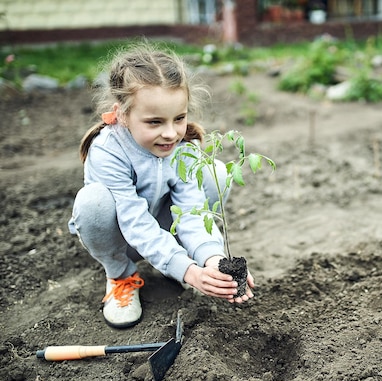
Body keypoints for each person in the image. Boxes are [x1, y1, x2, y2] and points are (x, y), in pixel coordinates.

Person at [68, 42, 254, 329]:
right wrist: (188, 272)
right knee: (93, 201)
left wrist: (211, 259)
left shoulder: (184, 147)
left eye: (179, 118)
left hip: (168, 229)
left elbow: (193, 212)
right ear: (122, 114)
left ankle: (179, 259)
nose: (170, 133)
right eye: (154, 122)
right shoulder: (108, 150)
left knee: (215, 172)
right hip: (124, 237)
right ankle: (121, 276)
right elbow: (135, 222)